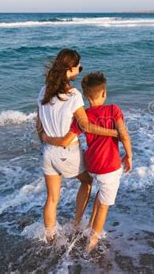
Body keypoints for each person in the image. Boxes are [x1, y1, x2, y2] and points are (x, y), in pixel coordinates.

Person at [41, 71, 133, 252]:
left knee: (99, 189)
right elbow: (124, 135)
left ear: (85, 95)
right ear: (104, 92)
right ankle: (92, 241)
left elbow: (68, 139)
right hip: (110, 165)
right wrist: (128, 155)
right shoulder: (113, 109)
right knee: (104, 206)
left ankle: (83, 224)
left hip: (92, 165)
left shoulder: (82, 117)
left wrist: (46, 138)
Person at [36, 49, 118, 242]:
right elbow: (86, 125)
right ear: (70, 69)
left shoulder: (44, 90)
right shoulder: (73, 95)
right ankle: (76, 224)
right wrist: (114, 133)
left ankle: (49, 237)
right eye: (78, 67)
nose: (79, 70)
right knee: (87, 181)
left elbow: (38, 125)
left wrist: (47, 141)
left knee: (52, 199)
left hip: (47, 153)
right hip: (67, 152)